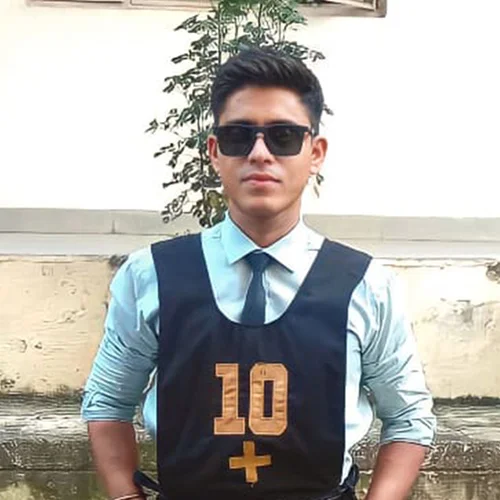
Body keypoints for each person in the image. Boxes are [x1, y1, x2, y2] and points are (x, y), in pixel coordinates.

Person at [82, 48, 436, 500]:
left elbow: (408, 418)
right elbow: (108, 402)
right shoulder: (151, 275)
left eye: (284, 136)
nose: (260, 153)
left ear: (315, 153)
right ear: (215, 152)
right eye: (238, 136)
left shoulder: (365, 285)